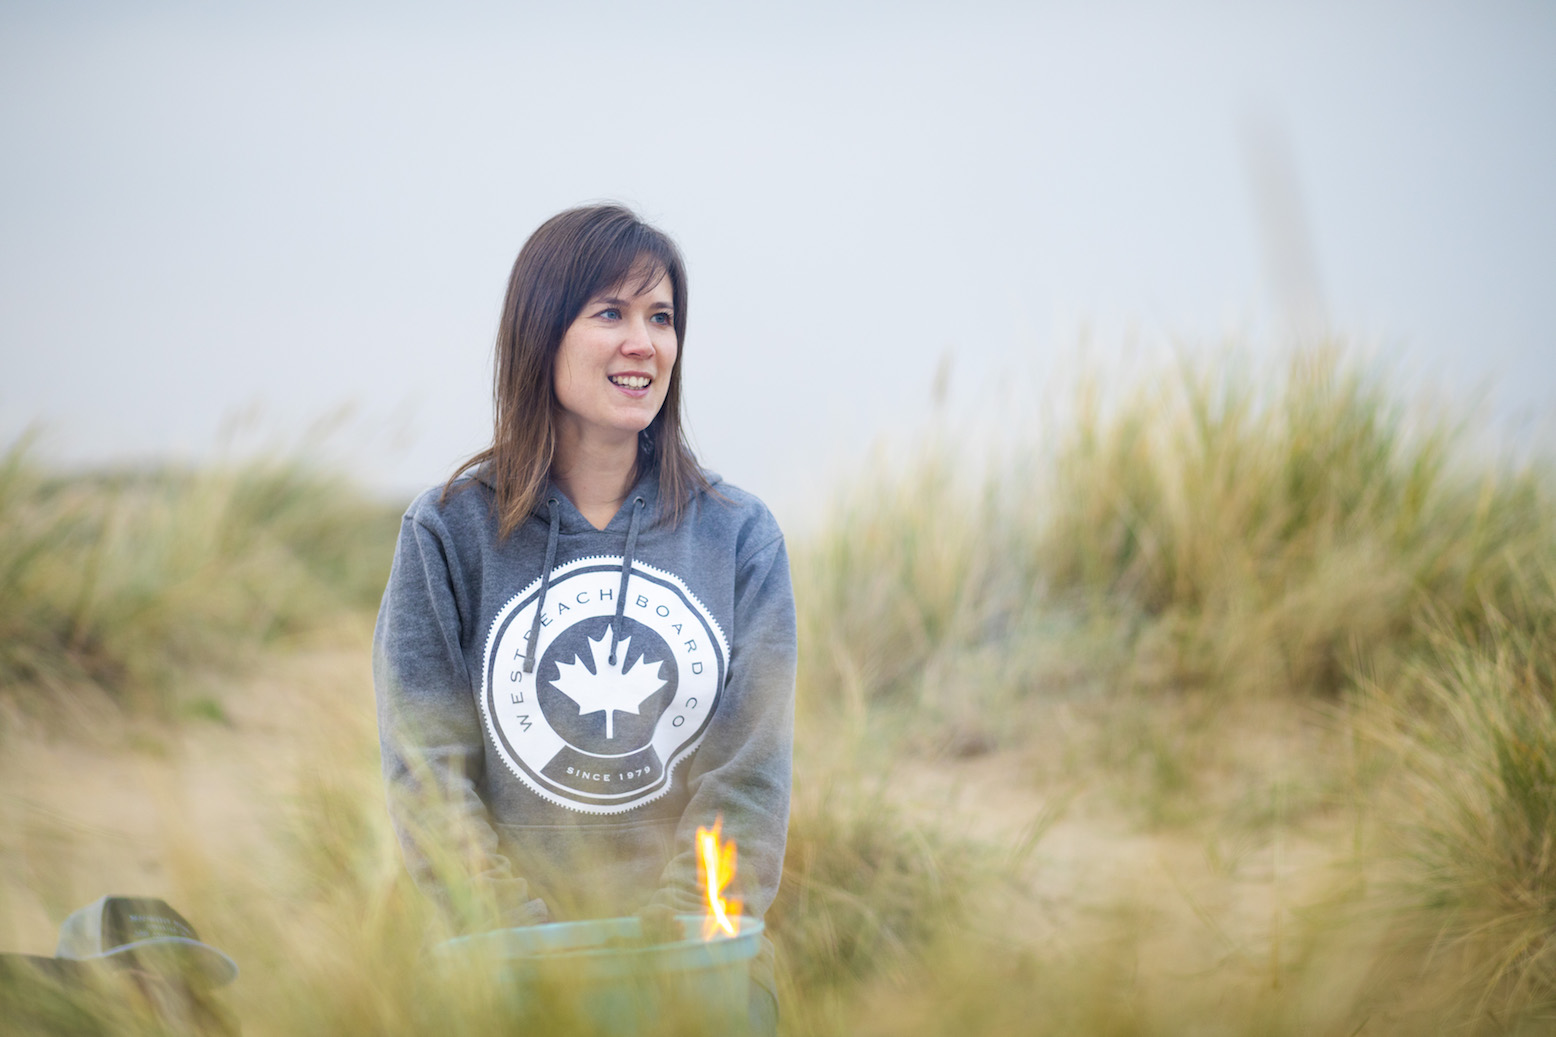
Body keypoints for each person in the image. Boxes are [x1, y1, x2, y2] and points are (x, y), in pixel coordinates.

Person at [372, 203, 796, 1031]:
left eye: (662, 317)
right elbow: (430, 781)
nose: (644, 342)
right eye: (611, 312)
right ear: (541, 333)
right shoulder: (448, 533)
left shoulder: (739, 535)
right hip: (499, 966)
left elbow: (747, 782)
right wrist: (533, 951)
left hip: (698, 967)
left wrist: (684, 944)